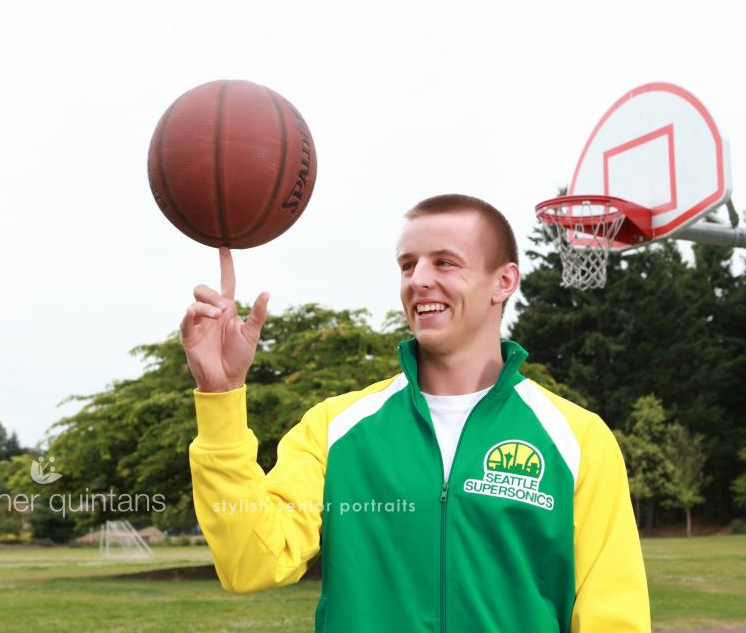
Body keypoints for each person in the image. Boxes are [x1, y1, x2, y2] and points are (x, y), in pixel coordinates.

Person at [182, 194, 651, 632]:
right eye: (408, 265)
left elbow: (613, 615)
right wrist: (220, 394)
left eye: (444, 262)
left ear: (503, 281)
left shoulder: (578, 439)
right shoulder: (335, 428)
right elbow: (252, 560)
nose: (418, 279)